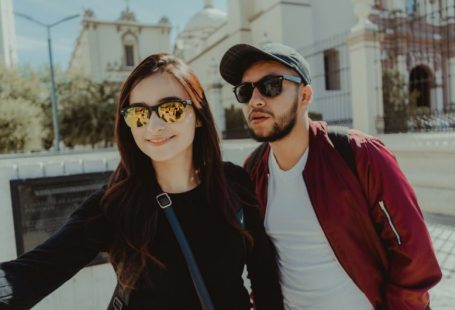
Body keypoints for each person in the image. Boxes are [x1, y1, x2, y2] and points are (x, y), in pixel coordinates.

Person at [0, 54, 284, 310]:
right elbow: (30, 274)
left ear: (198, 116)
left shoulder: (234, 182)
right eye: (139, 114)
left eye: (170, 109)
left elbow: (264, 275)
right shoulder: (114, 205)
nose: (154, 126)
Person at [219, 42, 442, 309]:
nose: (255, 100)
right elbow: (261, 264)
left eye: (271, 86)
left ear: (305, 96)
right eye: (245, 91)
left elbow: (414, 255)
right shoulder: (253, 170)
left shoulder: (359, 154)